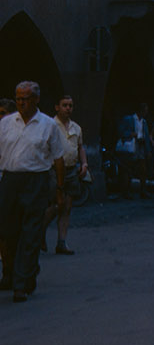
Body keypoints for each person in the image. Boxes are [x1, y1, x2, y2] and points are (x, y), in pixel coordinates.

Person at [0, 81, 66, 302]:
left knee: (30, 233)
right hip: (10, 181)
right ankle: (24, 273)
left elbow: (58, 159)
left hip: (36, 181)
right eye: (18, 98)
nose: (21, 103)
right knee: (9, 232)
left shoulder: (48, 125)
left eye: (26, 99)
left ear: (36, 99)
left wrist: (59, 189)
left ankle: (20, 284)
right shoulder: (6, 124)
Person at [43, 95, 88, 255]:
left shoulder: (76, 127)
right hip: (54, 170)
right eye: (64, 105)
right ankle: (40, 231)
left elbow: (80, 147)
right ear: (57, 107)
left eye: (70, 105)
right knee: (56, 205)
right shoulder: (50, 125)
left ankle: (61, 242)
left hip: (71, 170)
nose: (68, 108)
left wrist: (84, 164)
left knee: (67, 207)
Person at [117, 104, 151, 197]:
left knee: (143, 169)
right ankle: (126, 191)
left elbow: (146, 136)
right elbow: (120, 131)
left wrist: (148, 150)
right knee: (128, 168)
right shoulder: (129, 119)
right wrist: (130, 134)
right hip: (131, 145)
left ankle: (143, 190)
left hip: (141, 146)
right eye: (145, 110)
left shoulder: (144, 122)